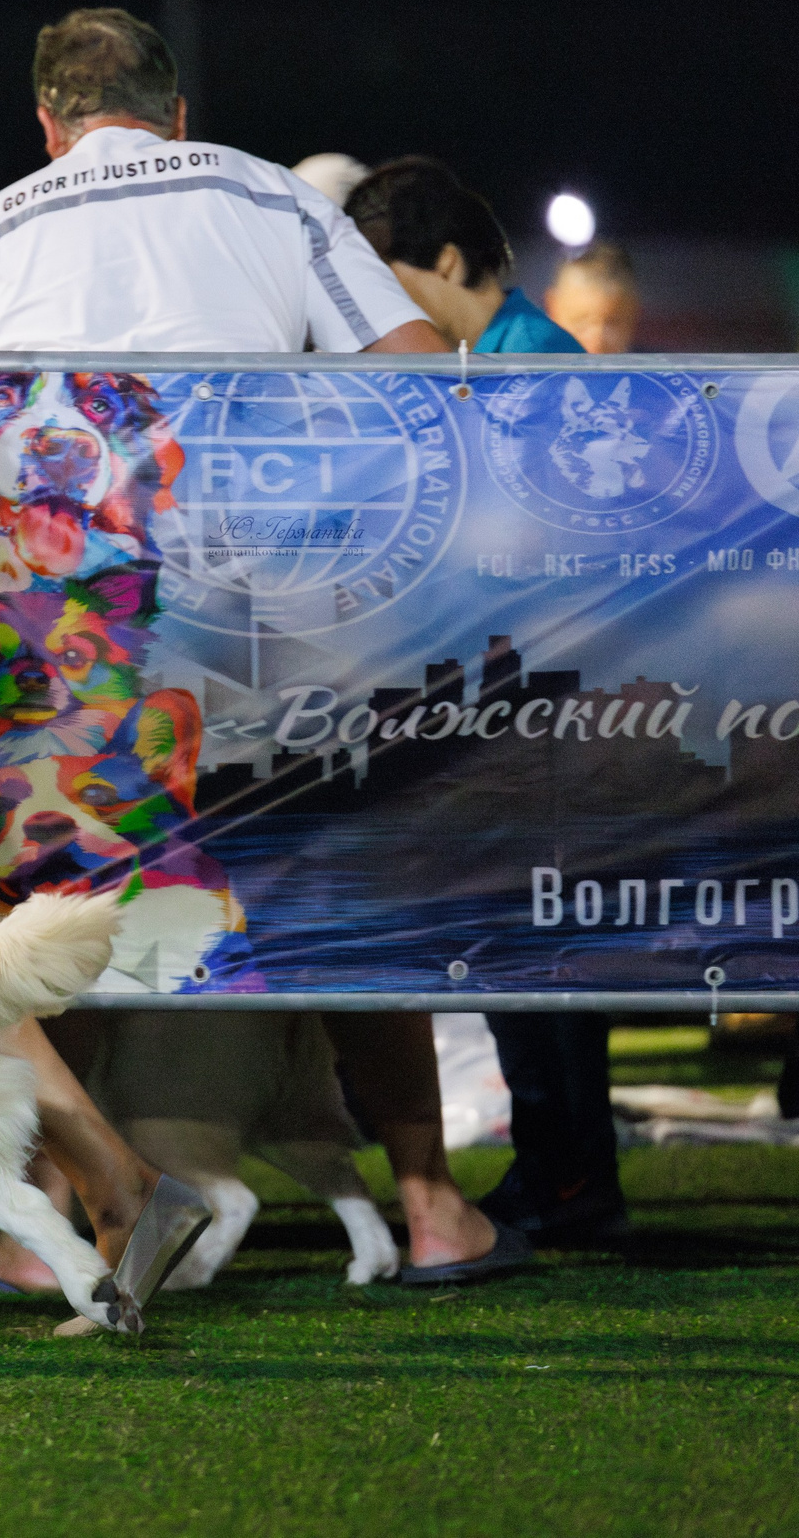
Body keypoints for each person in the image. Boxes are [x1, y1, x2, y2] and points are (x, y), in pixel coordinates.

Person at [0, 8, 527, 1294]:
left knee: (59, 907)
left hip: (68, 639)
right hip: (274, 609)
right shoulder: (266, 199)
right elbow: (420, 375)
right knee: (343, 885)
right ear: (176, 112)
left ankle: (81, 1206)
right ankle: (429, 1203)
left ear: (46, 124)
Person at [345, 159, 626, 1248]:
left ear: (448, 264)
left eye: (386, 281)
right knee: (516, 951)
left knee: (546, 951)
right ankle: (556, 1172)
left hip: (547, 712)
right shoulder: (470, 361)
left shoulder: (536, 364)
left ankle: (573, 1181)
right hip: (495, 708)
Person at [345, 157, 585, 355]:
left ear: (448, 264)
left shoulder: (530, 357)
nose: (375, 307)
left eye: (385, 282)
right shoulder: (486, 356)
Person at [543, 241, 639, 353]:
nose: (597, 341)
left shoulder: (658, 368)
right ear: (552, 306)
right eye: (581, 323)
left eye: (612, 324)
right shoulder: (528, 367)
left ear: (633, 312)